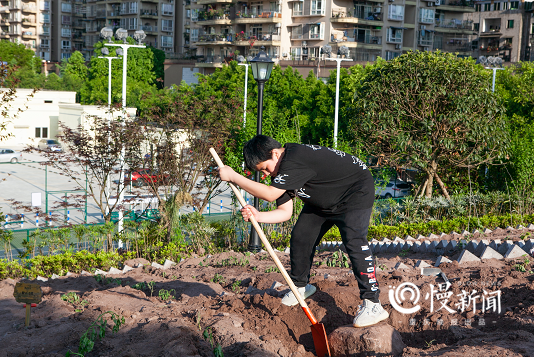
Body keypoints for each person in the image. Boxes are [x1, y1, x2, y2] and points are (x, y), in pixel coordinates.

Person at [217, 135, 389, 328]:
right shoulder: (281, 174)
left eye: (265, 167)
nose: (266, 174)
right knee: (301, 236)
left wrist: (233, 177)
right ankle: (300, 287)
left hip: (355, 192)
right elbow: (285, 212)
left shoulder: (295, 158)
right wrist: (258, 216)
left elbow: (269, 194)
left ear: (275, 153)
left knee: (354, 241)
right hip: (323, 201)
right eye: (262, 172)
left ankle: (373, 304)